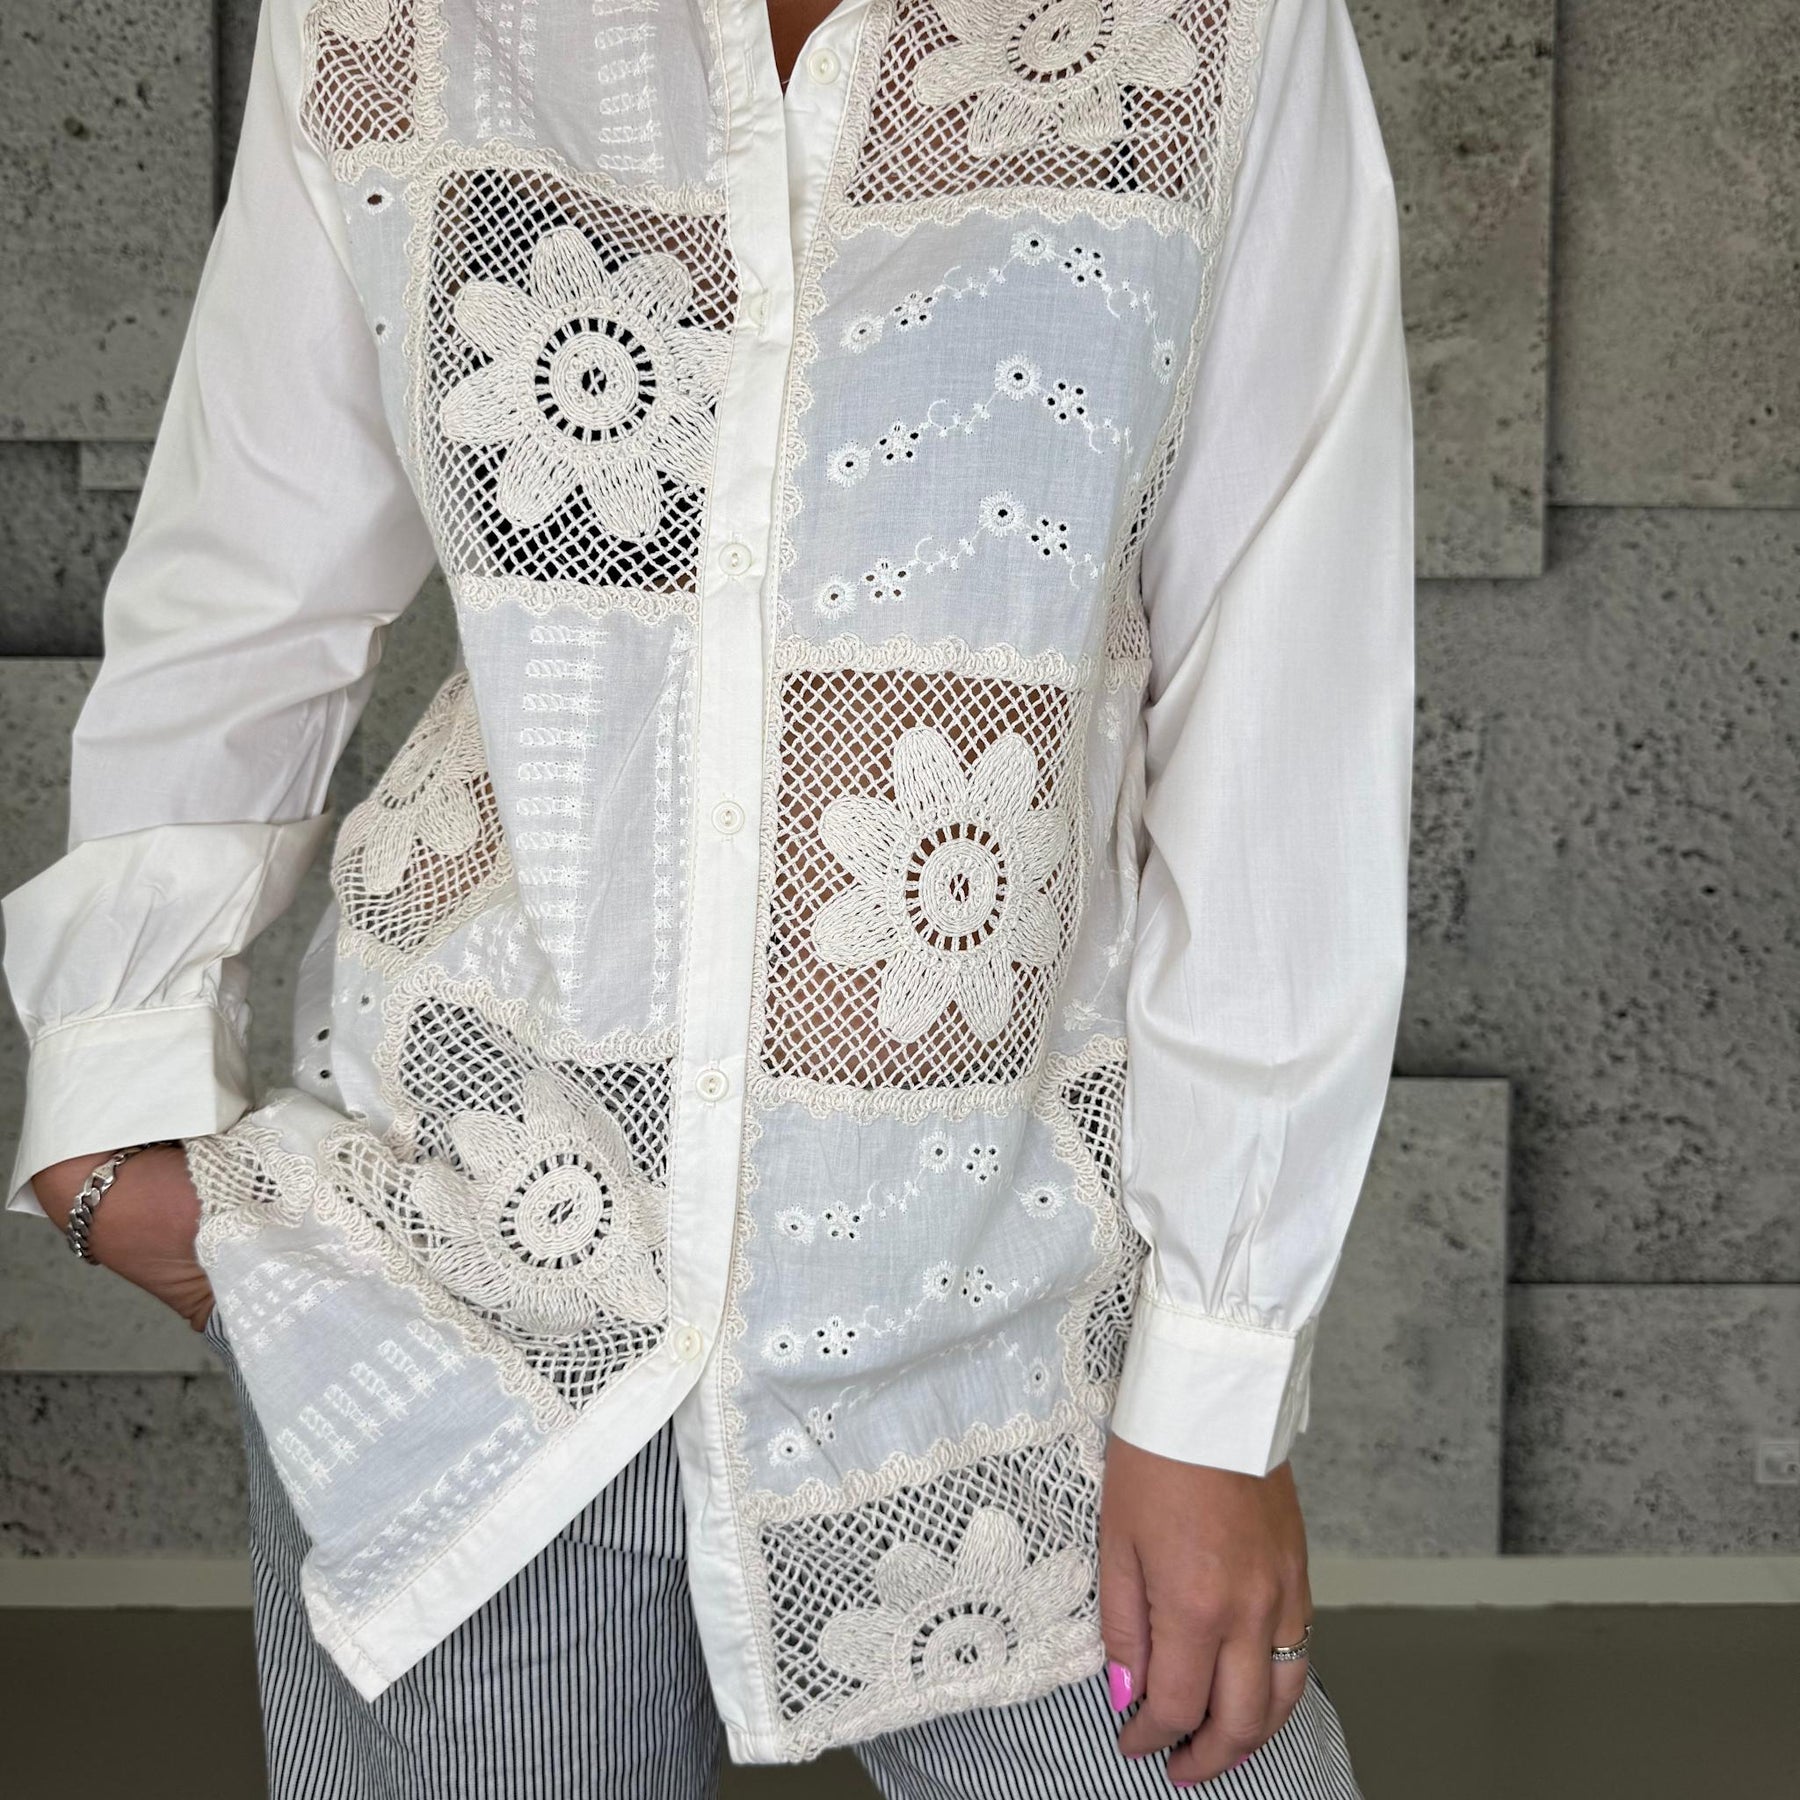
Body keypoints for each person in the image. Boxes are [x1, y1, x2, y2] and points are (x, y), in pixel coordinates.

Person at [3, 0, 1412, 1793]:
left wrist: (1220, 1379)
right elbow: (247, 583)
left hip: (1008, 1320)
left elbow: (1281, 693)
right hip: (472, 1276)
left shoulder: (1214, 32)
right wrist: (110, 1111)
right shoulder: (396, 23)